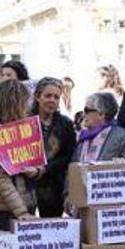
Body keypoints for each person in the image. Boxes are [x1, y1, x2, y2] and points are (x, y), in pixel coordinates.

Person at [0, 79, 39, 230]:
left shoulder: (25, 127)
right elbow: (0, 177)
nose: (29, 106)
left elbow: (37, 161)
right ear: (15, 104)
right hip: (2, 207)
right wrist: (21, 212)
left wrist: (36, 171)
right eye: (25, 102)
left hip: (27, 201)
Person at [30, 77, 76, 218]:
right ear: (37, 97)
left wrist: (45, 168)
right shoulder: (24, 120)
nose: (52, 100)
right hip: (27, 184)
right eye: (48, 96)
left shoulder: (65, 124)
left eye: (56, 97)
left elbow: (68, 155)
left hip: (53, 186)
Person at [73, 91, 125, 163]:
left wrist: (123, 163)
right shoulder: (83, 137)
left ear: (101, 114)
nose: (83, 114)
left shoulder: (121, 137)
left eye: (87, 111)